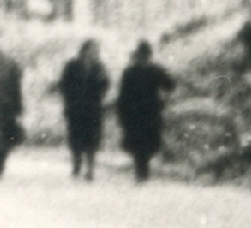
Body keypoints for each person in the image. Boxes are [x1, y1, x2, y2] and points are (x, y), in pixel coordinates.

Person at [114, 40, 174, 183]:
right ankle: (142, 172)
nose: (143, 58)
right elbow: (170, 85)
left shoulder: (134, 71)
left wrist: (121, 111)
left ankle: (141, 171)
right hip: (147, 111)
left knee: (142, 143)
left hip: (140, 112)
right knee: (144, 143)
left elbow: (170, 85)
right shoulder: (152, 70)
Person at [58, 39, 111, 181]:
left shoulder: (100, 67)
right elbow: (63, 84)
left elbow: (106, 86)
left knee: (92, 138)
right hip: (75, 107)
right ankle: (77, 165)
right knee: (75, 137)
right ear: (84, 50)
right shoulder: (72, 65)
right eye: (91, 50)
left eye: (96, 51)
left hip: (93, 109)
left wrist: (102, 82)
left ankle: (90, 169)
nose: (94, 53)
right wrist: (69, 100)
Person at [0, 25, 25, 179]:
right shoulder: (8, 59)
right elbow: (17, 83)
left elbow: (16, 81)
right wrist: (18, 104)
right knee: (0, 135)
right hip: (5, 103)